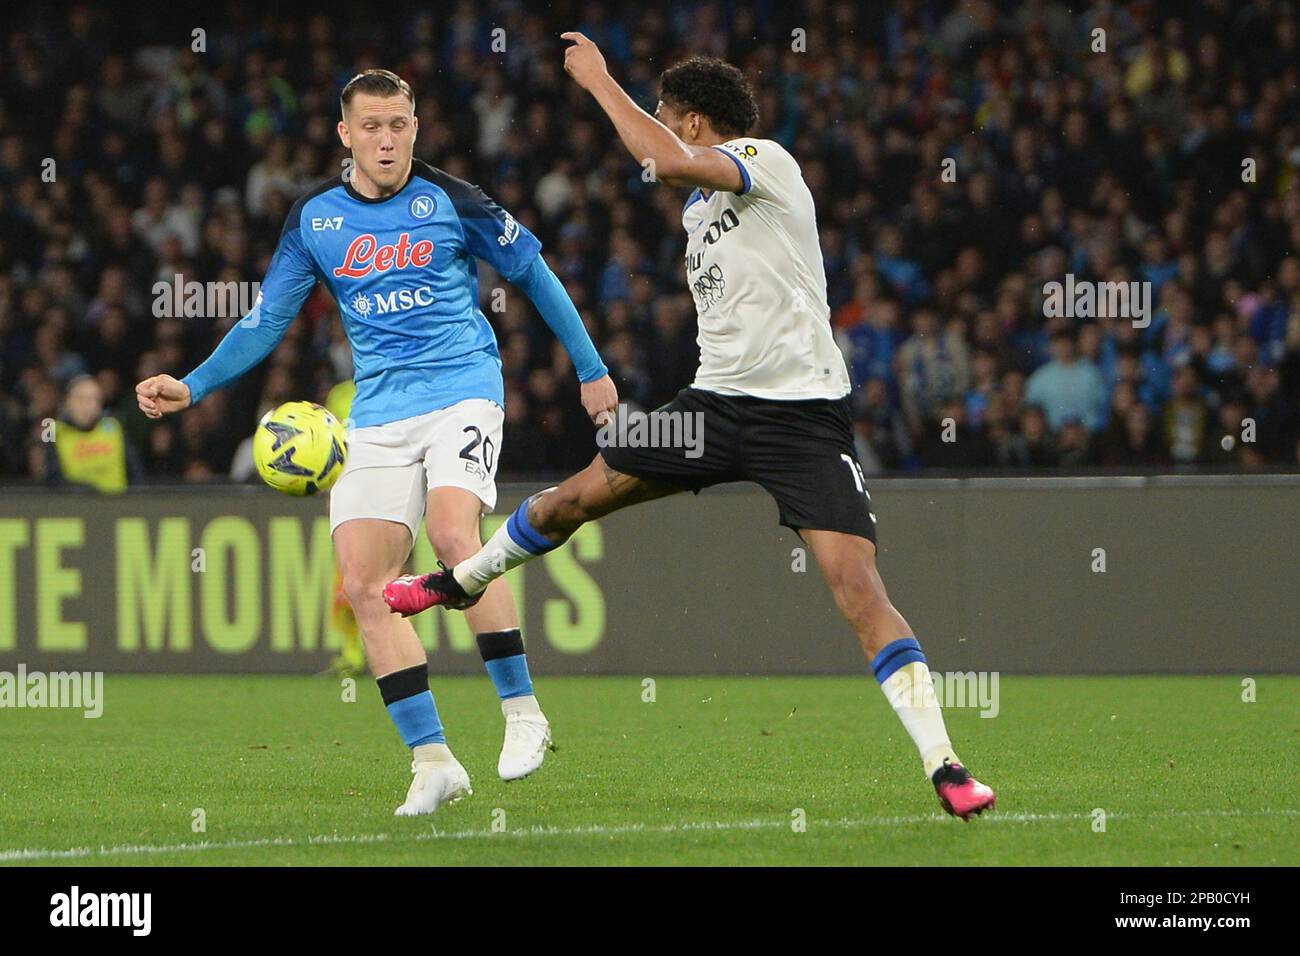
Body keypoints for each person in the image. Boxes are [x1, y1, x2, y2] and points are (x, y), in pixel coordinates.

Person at [386, 42, 995, 820]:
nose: (661, 131)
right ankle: (459, 580)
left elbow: (667, 160)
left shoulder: (765, 161)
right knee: (577, 499)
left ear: (697, 122)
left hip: (803, 419)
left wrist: (602, 84)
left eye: (670, 116)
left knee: (856, 585)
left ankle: (945, 766)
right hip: (714, 409)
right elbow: (680, 181)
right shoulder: (699, 214)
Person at [136, 69, 618, 817]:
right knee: (365, 585)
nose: (386, 139)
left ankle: (523, 713)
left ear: (416, 128)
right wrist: (192, 386)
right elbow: (267, 320)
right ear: (345, 135)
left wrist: (591, 369)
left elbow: (535, 272)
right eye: (372, 127)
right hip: (377, 413)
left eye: (399, 124)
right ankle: (433, 762)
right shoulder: (316, 219)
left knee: (455, 534)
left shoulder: (453, 200)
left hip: (463, 387)